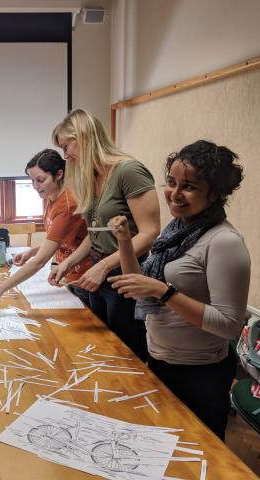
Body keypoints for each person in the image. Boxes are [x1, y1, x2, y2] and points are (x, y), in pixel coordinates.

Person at [108, 140, 249, 440]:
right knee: (164, 446)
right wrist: (123, 241)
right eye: (171, 182)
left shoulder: (223, 242)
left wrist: (164, 292)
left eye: (189, 186)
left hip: (200, 372)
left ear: (214, 193)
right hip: (160, 359)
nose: (175, 193)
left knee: (201, 451)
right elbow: (139, 290)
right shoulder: (176, 232)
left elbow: (228, 325)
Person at [48, 109, 160, 361]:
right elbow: (96, 233)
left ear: (84, 136)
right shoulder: (93, 177)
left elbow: (150, 233)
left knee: (127, 351)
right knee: (103, 345)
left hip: (125, 273)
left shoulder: (128, 171)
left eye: (67, 146)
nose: (66, 156)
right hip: (99, 267)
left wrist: (106, 265)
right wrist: (69, 262)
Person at [0, 149, 92, 308]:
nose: (35, 186)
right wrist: (31, 251)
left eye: (40, 180)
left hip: (85, 277)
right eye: (32, 181)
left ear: (59, 175)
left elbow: (39, 263)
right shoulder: (49, 196)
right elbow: (59, 239)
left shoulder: (67, 206)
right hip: (69, 275)